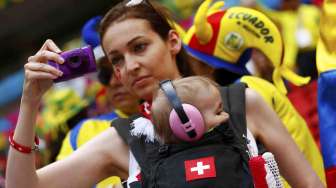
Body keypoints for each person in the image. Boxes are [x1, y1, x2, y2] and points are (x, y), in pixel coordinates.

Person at [6, 0, 323, 188]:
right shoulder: (119, 141)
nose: (129, 66)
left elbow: (311, 184)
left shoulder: (246, 102)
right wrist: (30, 99)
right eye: (117, 59)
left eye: (139, 47)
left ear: (173, 41)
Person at [183, 0, 326, 185]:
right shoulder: (242, 88)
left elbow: (277, 166)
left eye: (189, 60)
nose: (185, 69)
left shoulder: (247, 92)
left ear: (207, 66)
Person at [56, 55, 139, 188]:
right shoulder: (83, 132)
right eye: (105, 75)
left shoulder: (176, 113)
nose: (113, 82)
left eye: (120, 69)